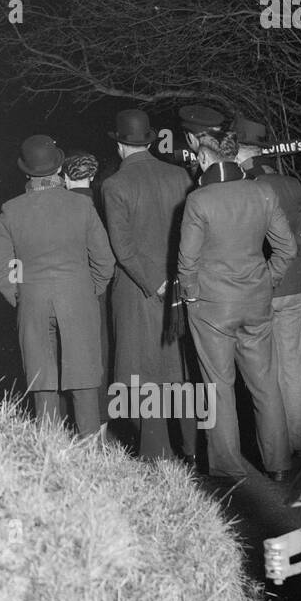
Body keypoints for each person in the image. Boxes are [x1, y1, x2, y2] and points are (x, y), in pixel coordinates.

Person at [178, 124, 297, 482]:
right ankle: (278, 464)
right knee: (264, 383)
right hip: (256, 302)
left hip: (212, 307)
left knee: (218, 386)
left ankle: (228, 467)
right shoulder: (262, 193)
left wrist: (191, 296)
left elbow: (187, 262)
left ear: (203, 157)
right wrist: (267, 280)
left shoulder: (199, 200)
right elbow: (286, 249)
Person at [0, 135, 115, 434]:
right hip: (78, 300)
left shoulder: (12, 209)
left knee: (42, 381)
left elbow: (0, 267)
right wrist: (88, 291)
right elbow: (105, 262)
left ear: (27, 171)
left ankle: (51, 453)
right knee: (84, 380)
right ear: (59, 168)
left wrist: (21, 293)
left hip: (33, 303)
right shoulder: (81, 206)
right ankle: (91, 453)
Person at [101, 110, 196, 460]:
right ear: (149, 140)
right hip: (179, 285)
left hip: (139, 291)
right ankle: (194, 446)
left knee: (144, 372)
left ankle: (158, 452)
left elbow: (123, 249)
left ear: (121, 146)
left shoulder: (114, 185)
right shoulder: (180, 175)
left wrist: (153, 283)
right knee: (179, 369)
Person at [235, 115, 301, 459]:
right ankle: (299, 440)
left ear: (239, 152)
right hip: (296, 286)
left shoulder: (247, 188)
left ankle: (276, 445)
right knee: (292, 367)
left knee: (263, 371)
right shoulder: (292, 183)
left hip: (263, 288)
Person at [63, 151, 110, 420]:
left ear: (65, 176)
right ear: (92, 176)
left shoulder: (60, 207)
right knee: (98, 354)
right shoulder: (101, 205)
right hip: (97, 290)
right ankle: (99, 422)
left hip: (68, 291)